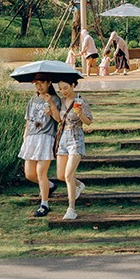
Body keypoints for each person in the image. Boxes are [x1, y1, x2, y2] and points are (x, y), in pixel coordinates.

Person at [18, 75, 62, 217]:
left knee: (41, 173)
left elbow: (58, 119)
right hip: (31, 138)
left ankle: (44, 204)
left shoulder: (55, 99)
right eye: (36, 84)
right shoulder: (32, 100)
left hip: (46, 137)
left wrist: (51, 106)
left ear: (49, 82)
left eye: (41, 83)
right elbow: (28, 120)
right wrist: (25, 136)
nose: (38, 86)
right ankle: (49, 186)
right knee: (29, 174)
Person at [55, 79, 93, 220]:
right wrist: (51, 107)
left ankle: (71, 209)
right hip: (63, 139)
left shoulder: (80, 100)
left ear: (72, 85)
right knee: (60, 175)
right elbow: (59, 120)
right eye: (60, 89)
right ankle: (79, 185)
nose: (63, 91)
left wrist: (80, 114)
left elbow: (89, 121)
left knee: (68, 176)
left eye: (65, 88)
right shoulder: (60, 102)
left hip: (75, 139)